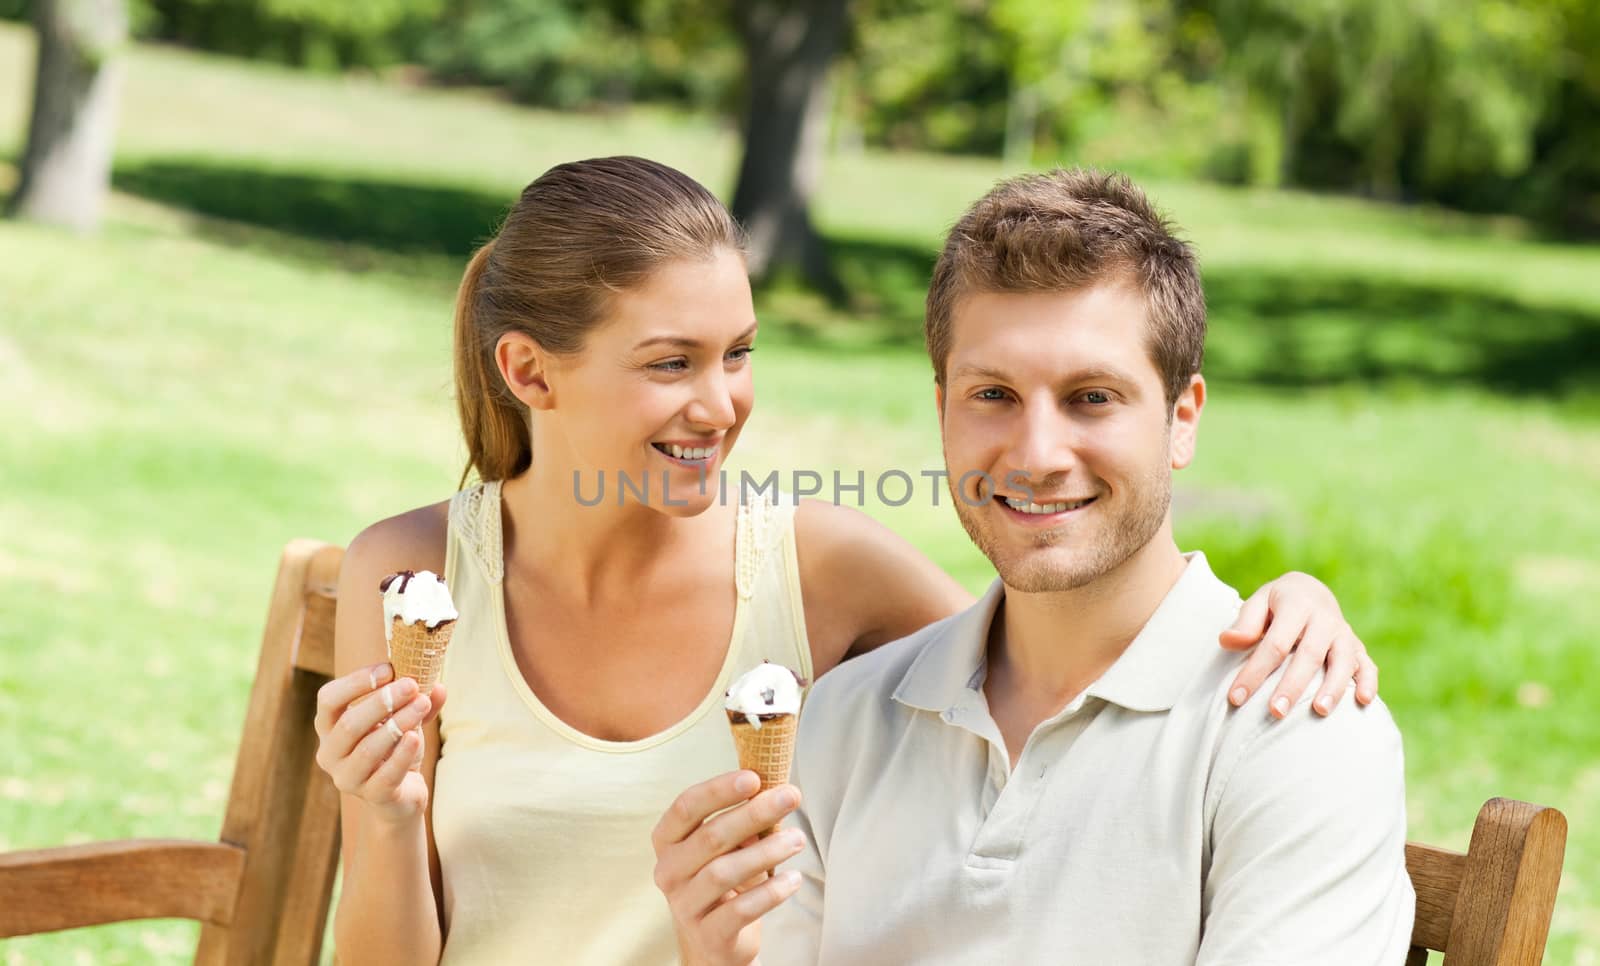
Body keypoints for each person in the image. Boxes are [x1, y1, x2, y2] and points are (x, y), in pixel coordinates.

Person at [311, 157, 1380, 966]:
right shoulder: (415, 577)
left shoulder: (822, 581)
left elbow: (1053, 629)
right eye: (669, 362)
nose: (720, 403)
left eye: (737, 355)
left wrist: (1280, 609)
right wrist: (384, 811)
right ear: (528, 373)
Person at [653, 168, 1415, 966]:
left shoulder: (1293, 736)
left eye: (1092, 397)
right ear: (942, 406)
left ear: (1181, 419)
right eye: (994, 396)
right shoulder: (843, 723)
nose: (1038, 456)